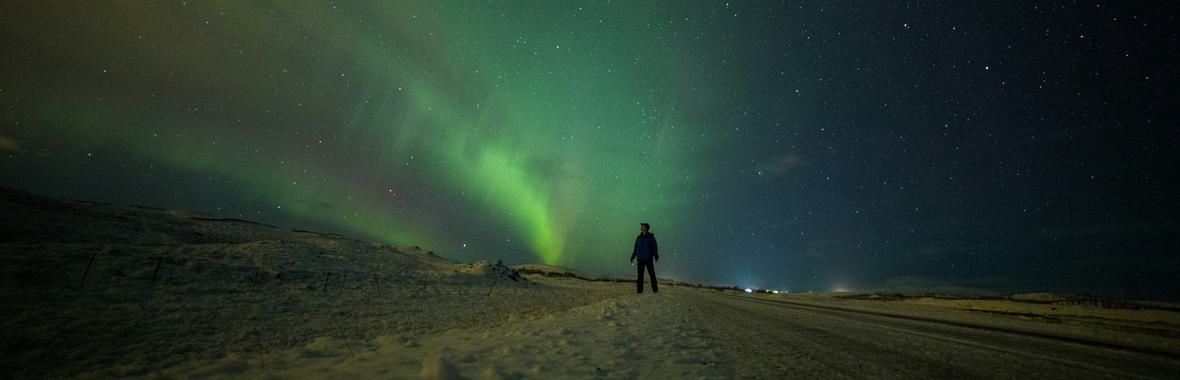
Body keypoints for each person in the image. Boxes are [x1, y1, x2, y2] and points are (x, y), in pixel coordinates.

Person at [630, 222, 659, 293]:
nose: (641, 227)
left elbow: (654, 246)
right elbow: (636, 247)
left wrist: (656, 255)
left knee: (652, 274)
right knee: (640, 276)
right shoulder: (638, 237)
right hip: (640, 259)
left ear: (646, 227)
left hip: (648, 259)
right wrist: (633, 256)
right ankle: (639, 291)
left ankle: (655, 290)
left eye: (642, 226)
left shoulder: (650, 237)